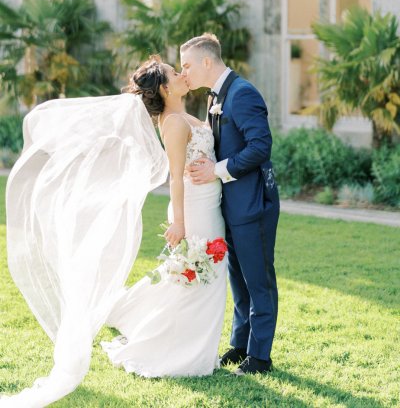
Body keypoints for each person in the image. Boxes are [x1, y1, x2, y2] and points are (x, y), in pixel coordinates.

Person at [101, 55, 227, 377]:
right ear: (165, 88)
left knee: (200, 277)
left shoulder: (184, 116)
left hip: (208, 203)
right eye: (175, 72)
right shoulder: (172, 123)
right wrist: (180, 223)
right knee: (197, 277)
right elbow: (175, 176)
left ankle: (193, 347)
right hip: (194, 209)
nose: (182, 73)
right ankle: (183, 352)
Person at [180, 33, 280, 376]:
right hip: (230, 206)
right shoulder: (215, 97)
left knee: (258, 280)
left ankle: (260, 357)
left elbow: (259, 147)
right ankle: (240, 345)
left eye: (187, 65)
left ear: (207, 62)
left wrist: (216, 171)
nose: (184, 72)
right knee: (238, 280)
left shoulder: (243, 93)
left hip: (253, 204)